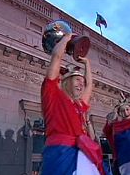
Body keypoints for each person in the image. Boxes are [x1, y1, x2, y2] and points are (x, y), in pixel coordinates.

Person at [41, 33, 104, 175]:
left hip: (83, 153)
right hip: (60, 154)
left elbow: (89, 86)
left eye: (82, 82)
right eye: (77, 80)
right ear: (65, 82)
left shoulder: (80, 104)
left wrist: (87, 63)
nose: (81, 84)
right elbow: (56, 57)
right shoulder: (53, 95)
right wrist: (66, 38)